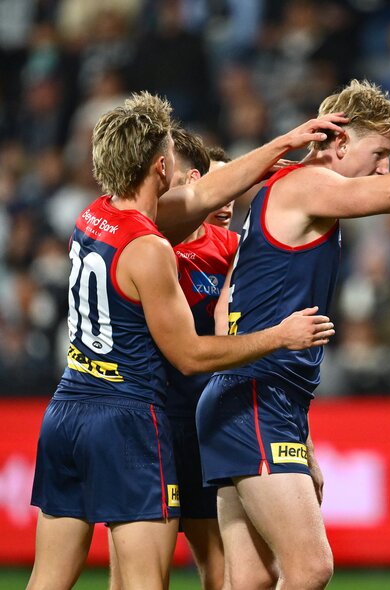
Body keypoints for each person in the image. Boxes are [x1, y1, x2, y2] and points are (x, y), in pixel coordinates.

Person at [195, 50, 390, 589]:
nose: (383, 168)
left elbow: (223, 308)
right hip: (259, 401)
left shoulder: (278, 195)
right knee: (310, 569)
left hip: (247, 399)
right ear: (340, 142)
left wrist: (296, 438)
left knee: (252, 580)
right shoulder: (306, 185)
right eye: (379, 153)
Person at [28, 92, 343, 590]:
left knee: (46, 580)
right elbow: (190, 355)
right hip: (127, 418)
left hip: (67, 410)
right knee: (144, 582)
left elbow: (200, 196)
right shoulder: (149, 247)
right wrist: (278, 336)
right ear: (160, 166)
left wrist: (283, 143)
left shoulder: (94, 216)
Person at [106, 133, 236, 590]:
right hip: (144, 419)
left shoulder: (230, 250)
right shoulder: (145, 240)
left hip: (203, 424)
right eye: (220, 190)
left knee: (220, 568)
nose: (227, 202)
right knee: (132, 575)